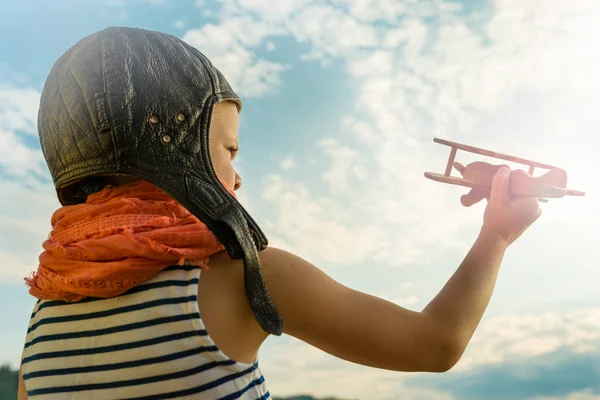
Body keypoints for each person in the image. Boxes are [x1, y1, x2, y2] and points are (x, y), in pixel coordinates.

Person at [17, 26, 541, 400]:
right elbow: (434, 344)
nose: (238, 177)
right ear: (176, 149)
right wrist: (496, 235)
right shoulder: (247, 276)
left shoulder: (45, 318)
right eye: (229, 150)